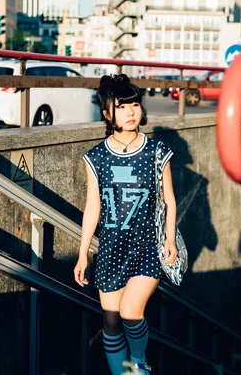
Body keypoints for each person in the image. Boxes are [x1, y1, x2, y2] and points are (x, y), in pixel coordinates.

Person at [74, 74, 178, 375]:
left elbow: (169, 199)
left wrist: (169, 239)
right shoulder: (95, 157)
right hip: (110, 248)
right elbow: (93, 205)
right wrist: (83, 253)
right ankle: (124, 374)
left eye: (134, 104)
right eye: (122, 107)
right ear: (107, 114)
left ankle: (139, 364)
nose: (131, 112)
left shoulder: (157, 152)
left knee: (131, 313)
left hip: (147, 245)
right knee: (110, 319)